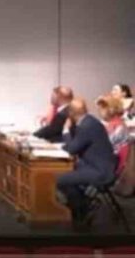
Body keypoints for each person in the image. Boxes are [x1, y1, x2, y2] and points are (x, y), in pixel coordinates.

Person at [56, 97, 117, 229]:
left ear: (71, 113)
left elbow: (72, 149)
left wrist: (66, 131)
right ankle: (82, 207)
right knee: (67, 177)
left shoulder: (87, 126)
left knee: (59, 179)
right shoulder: (89, 122)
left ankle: (82, 209)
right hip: (93, 166)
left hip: (100, 172)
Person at [96, 95, 131, 171]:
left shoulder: (118, 127)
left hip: (110, 167)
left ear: (111, 109)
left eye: (102, 108)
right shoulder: (112, 124)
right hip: (107, 161)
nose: (99, 111)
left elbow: (104, 146)